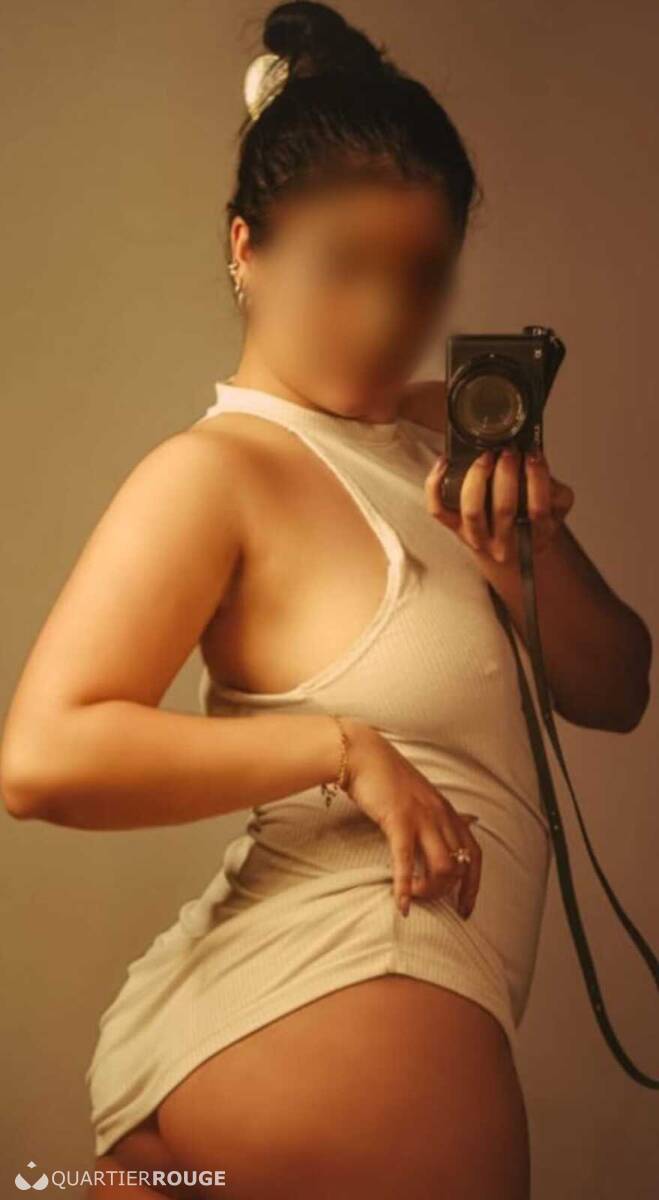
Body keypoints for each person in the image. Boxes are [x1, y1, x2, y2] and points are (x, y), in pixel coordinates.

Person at [1, 3, 651, 1198]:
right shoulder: (218, 471)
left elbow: (614, 690)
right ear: (245, 248)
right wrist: (341, 749)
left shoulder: (442, 439)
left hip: (275, 1038)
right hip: (348, 1001)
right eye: (340, 268)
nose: (383, 317)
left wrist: (527, 546)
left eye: (421, 276)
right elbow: (40, 759)